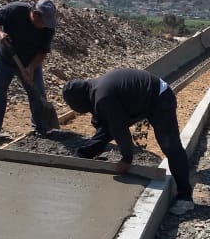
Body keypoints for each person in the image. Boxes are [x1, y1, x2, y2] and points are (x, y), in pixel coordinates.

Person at [62, 69, 195, 215]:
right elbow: (103, 123)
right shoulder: (94, 89)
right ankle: (85, 154)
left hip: (159, 97)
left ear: (80, 102)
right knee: (107, 126)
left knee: (170, 146)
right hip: (140, 100)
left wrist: (127, 158)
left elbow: (120, 130)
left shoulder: (103, 97)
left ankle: (185, 197)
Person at [0, 0, 58, 142]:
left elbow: (43, 51)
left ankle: (40, 128)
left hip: (30, 61)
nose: (45, 26)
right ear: (35, 14)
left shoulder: (48, 28)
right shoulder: (16, 10)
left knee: (38, 94)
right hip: (5, 59)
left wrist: (30, 68)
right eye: (42, 22)